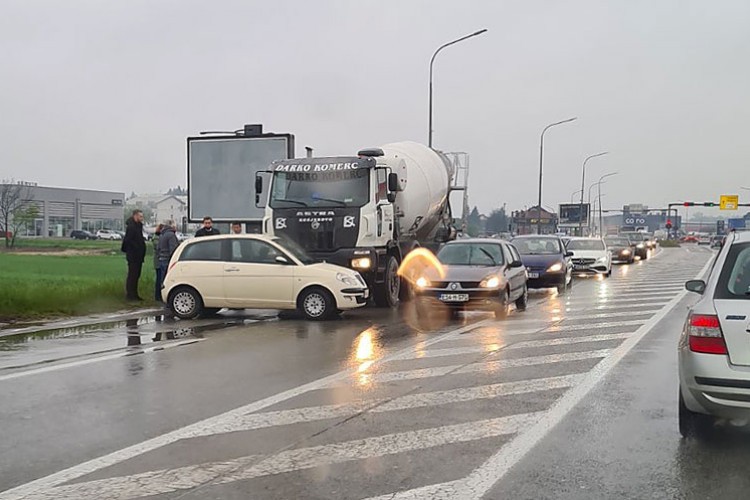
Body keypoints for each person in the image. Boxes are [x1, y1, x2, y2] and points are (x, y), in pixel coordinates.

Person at [121, 209, 146, 301]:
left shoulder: (138, 226)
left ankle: (135, 294)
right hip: (133, 255)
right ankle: (130, 295)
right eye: (140, 216)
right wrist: (136, 248)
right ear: (135, 216)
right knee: (132, 275)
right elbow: (128, 240)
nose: (142, 218)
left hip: (138, 256)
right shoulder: (131, 227)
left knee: (136, 275)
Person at [158, 220, 180, 319]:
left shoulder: (162, 234)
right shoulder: (171, 235)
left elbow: (158, 248)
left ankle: (163, 298)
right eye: (175, 225)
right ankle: (168, 300)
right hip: (168, 260)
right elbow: (173, 249)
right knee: (170, 281)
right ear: (172, 226)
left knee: (163, 280)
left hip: (162, 259)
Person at [152, 224, 164, 302]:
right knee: (159, 278)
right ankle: (157, 295)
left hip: (159, 260)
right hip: (158, 261)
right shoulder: (156, 238)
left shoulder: (159, 237)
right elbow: (158, 248)